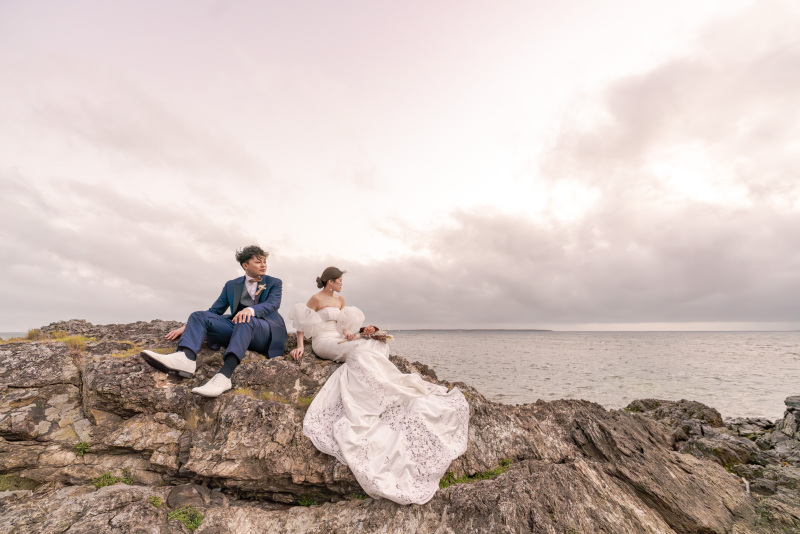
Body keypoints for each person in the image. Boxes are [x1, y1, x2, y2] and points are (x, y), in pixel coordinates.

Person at [288, 267, 469, 505]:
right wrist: (301, 345)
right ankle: (378, 388)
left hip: (339, 339)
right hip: (322, 342)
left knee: (373, 346)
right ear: (329, 282)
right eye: (339, 281)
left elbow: (345, 330)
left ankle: (381, 385)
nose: (342, 285)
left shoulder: (341, 300)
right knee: (362, 352)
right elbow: (302, 325)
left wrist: (355, 334)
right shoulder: (316, 298)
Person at [141, 245, 287, 397]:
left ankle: (224, 376)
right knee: (198, 315)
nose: (263, 265)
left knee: (245, 319)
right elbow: (215, 311)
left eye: (264, 261)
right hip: (240, 331)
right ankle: (186, 358)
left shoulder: (274, 282)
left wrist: (250, 310)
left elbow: (273, 304)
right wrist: (189, 326)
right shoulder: (231, 285)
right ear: (245, 265)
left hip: (265, 332)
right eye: (258, 262)